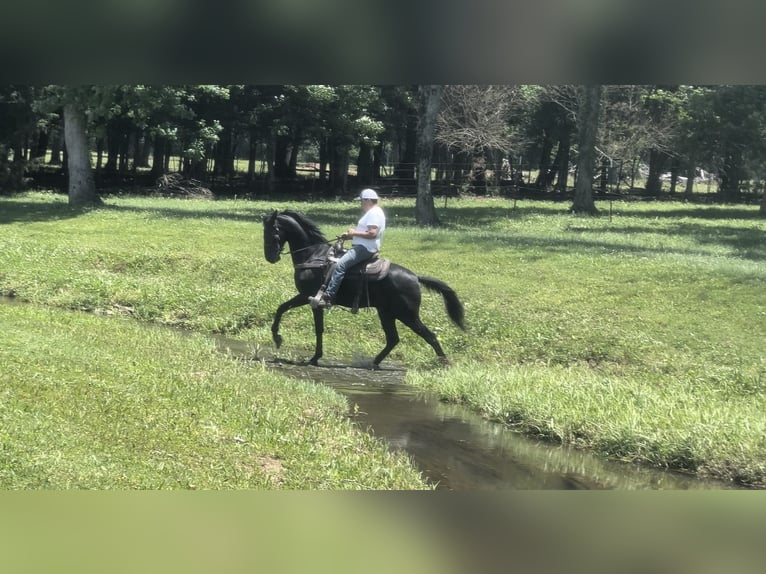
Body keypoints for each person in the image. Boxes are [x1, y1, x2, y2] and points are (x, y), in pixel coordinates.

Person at [309, 188, 386, 309]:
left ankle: (328, 297)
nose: (360, 204)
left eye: (361, 201)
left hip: (364, 249)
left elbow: (372, 233)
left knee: (340, 266)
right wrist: (349, 236)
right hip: (363, 246)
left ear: (368, 200)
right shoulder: (375, 212)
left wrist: (354, 233)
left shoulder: (374, 213)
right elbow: (366, 233)